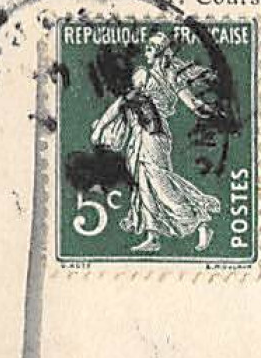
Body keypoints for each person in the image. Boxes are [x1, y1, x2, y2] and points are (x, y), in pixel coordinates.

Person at [89, 32, 222, 253]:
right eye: (148, 47)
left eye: (152, 48)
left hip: (154, 134)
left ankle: (199, 223)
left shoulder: (170, 76)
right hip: (139, 134)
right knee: (144, 184)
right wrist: (102, 126)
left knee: (160, 182)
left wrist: (209, 111)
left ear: (162, 52)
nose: (147, 51)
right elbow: (124, 102)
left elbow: (191, 103)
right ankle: (153, 236)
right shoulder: (142, 75)